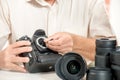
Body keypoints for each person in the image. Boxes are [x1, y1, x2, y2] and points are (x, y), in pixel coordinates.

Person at [0, 0, 114, 72]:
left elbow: (111, 54)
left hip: (74, 75)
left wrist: (76, 43)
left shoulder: (91, 2)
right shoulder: (8, 3)